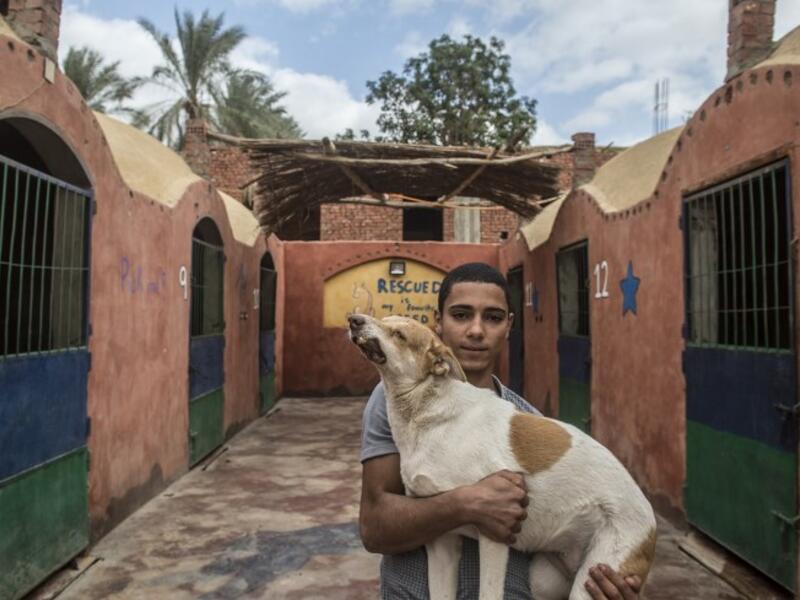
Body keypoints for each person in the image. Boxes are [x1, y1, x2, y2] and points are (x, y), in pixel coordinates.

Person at [359, 262, 643, 599]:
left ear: (509, 325)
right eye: (461, 315)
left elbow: (556, 538)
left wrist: (614, 588)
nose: (476, 330)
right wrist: (465, 504)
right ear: (438, 322)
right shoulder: (399, 402)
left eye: (493, 317)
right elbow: (375, 528)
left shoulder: (528, 424)